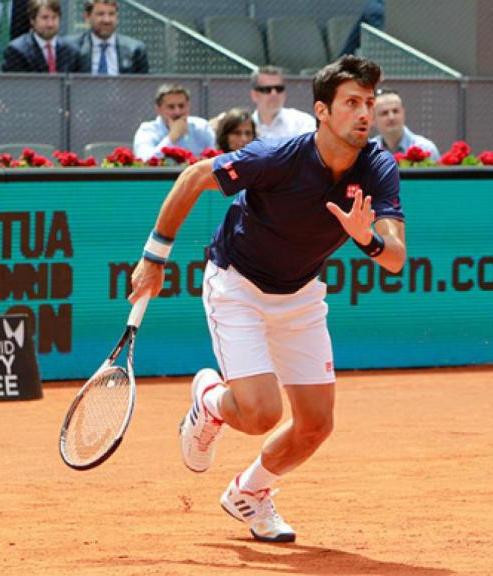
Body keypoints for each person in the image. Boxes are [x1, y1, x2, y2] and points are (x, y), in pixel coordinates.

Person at [128, 55, 405, 543]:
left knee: (316, 425)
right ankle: (211, 401)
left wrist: (368, 240)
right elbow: (194, 177)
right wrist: (154, 258)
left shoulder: (378, 166)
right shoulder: (276, 156)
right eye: (352, 103)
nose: (364, 113)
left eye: (369, 102)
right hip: (238, 284)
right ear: (322, 111)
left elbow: (396, 258)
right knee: (260, 414)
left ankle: (249, 492)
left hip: (301, 294)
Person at [133, 83, 216, 161]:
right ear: (158, 109)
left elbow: (215, 159)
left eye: (181, 106)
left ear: (188, 106)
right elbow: (144, 161)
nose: (177, 112)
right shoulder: (147, 130)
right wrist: (172, 137)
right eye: (171, 107)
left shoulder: (202, 127)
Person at [69, 0, 148, 75]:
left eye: (111, 14)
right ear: (87, 16)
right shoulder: (71, 49)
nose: (107, 20)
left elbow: (143, 83)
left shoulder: (135, 50)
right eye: (100, 14)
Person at [2, 0, 79, 73]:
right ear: (32, 20)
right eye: (45, 18)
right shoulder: (17, 51)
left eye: (54, 17)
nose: (50, 24)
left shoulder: (71, 51)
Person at [370, 88, 440, 161]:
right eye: (384, 113)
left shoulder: (426, 149)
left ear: (403, 113)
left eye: (395, 111)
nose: (391, 117)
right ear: (373, 119)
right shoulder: (368, 152)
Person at [250, 65, 315, 141]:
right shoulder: (245, 126)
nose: (274, 93)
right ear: (254, 95)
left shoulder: (303, 122)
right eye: (267, 89)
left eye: (279, 89)